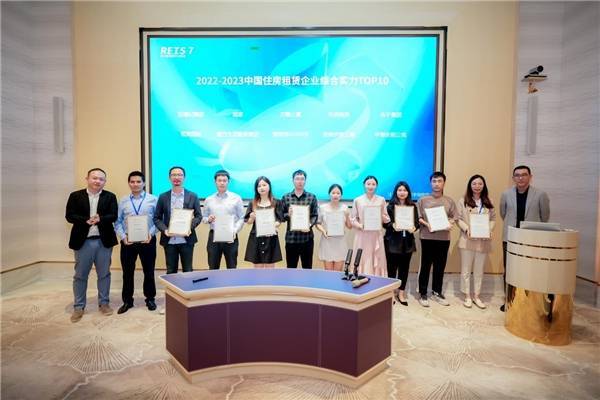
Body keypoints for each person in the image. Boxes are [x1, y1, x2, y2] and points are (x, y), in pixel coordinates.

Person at [65, 168, 118, 323]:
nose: (97, 181)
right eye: (94, 178)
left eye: (101, 179)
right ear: (87, 179)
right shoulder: (75, 196)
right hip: (83, 242)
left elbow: (113, 215)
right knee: (80, 275)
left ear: (105, 182)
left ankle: (104, 303)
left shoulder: (110, 196)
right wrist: (85, 220)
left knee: (104, 274)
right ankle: (79, 306)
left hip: (103, 241)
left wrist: (101, 219)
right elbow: (69, 216)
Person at [499, 165, 550, 311]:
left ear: (530, 177)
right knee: (509, 270)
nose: (520, 178)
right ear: (513, 178)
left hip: (531, 240)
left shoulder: (540, 195)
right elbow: (503, 214)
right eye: (517, 175)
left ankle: (529, 301)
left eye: (524, 174)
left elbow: (545, 217)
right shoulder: (506, 194)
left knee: (530, 271)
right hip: (511, 238)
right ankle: (510, 300)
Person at [114, 171, 158, 314]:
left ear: (144, 183)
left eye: (138, 181)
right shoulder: (123, 201)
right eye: (132, 182)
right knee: (127, 273)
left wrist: (151, 233)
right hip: (128, 241)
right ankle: (127, 301)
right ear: (129, 183)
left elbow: (158, 220)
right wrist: (123, 237)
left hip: (148, 240)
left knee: (149, 271)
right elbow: (117, 221)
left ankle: (150, 298)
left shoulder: (153, 199)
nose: (135, 184)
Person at [417, 171, 457, 307]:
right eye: (434, 181)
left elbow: (454, 217)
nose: (436, 184)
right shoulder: (422, 200)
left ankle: (437, 292)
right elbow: (418, 217)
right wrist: (428, 224)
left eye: (439, 181)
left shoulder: (449, 201)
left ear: (444, 183)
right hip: (427, 237)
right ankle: (423, 293)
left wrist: (449, 223)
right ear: (430, 183)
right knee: (425, 266)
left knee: (440, 266)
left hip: (443, 238)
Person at [457, 175, 496, 309]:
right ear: (470, 185)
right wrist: (466, 228)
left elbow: (493, 219)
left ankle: (476, 296)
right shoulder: (463, 200)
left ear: (483, 185)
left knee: (479, 270)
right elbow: (458, 219)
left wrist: (489, 229)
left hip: (483, 241)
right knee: (466, 270)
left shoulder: (489, 201)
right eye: (474, 184)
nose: (477, 186)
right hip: (467, 240)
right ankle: (467, 296)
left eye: (480, 184)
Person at [153, 166, 202, 274]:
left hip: (187, 240)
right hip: (169, 240)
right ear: (169, 178)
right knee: (171, 271)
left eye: (179, 175)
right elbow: (157, 218)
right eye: (174, 175)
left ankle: (187, 286)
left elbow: (198, 216)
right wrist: (165, 230)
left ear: (184, 177)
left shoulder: (192, 196)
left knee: (188, 270)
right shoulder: (163, 196)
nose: (177, 177)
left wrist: (189, 227)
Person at [384, 181, 418, 306]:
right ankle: (391, 293)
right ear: (396, 192)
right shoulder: (390, 207)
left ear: (408, 192)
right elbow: (385, 223)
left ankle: (401, 293)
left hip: (407, 243)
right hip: (392, 242)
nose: (402, 192)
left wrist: (414, 228)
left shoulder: (412, 206)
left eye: (404, 190)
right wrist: (392, 225)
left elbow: (417, 223)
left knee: (404, 269)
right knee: (391, 269)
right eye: (399, 190)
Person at [202, 170, 245, 269]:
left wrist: (234, 230)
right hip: (214, 236)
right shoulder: (209, 199)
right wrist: (208, 219)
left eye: (224, 180)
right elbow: (204, 217)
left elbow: (241, 218)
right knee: (213, 266)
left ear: (228, 182)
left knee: (231, 266)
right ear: (215, 182)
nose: (222, 183)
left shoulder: (236, 198)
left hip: (231, 236)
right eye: (219, 180)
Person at [350, 176, 390, 276]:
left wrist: (379, 214)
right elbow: (352, 218)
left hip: (376, 234)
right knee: (362, 256)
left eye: (373, 184)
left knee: (376, 256)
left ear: (376, 186)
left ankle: (377, 279)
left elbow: (387, 218)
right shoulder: (357, 200)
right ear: (364, 185)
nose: (371, 186)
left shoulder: (381, 200)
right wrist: (360, 225)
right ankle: (360, 276)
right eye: (368, 184)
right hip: (362, 234)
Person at [280, 170, 319, 269]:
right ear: (293, 180)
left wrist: (309, 225)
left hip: (307, 239)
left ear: (305, 181)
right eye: (297, 179)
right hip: (291, 239)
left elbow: (315, 215)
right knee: (291, 268)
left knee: (307, 268)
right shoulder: (286, 197)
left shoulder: (311, 197)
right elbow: (281, 216)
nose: (300, 181)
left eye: (302, 179)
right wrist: (288, 214)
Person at [244, 176, 283, 268]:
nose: (262, 188)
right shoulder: (252, 203)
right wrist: (252, 217)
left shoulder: (276, 202)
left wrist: (273, 226)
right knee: (258, 268)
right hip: (256, 238)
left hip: (271, 238)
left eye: (264, 185)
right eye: (259, 186)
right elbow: (248, 222)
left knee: (270, 268)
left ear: (269, 186)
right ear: (256, 189)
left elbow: (279, 220)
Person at [315, 184, 352, 271]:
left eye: (338, 193)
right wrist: (324, 231)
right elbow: (318, 223)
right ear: (329, 194)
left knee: (338, 273)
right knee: (328, 273)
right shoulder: (322, 207)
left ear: (341, 195)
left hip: (340, 242)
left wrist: (347, 216)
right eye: (333, 193)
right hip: (327, 242)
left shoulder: (345, 208)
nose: (335, 195)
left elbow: (349, 226)